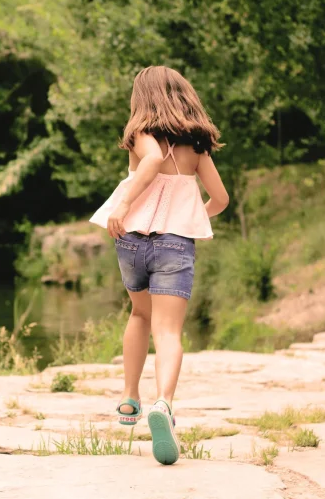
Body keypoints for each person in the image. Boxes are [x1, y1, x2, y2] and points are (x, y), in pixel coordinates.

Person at [89, 65, 229, 465]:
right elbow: (220, 200)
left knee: (139, 315)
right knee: (168, 331)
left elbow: (149, 161)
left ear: (142, 97)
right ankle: (163, 404)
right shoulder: (195, 148)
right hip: (175, 245)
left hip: (131, 241)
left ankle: (129, 398)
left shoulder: (140, 132)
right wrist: (189, 216)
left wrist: (124, 204)